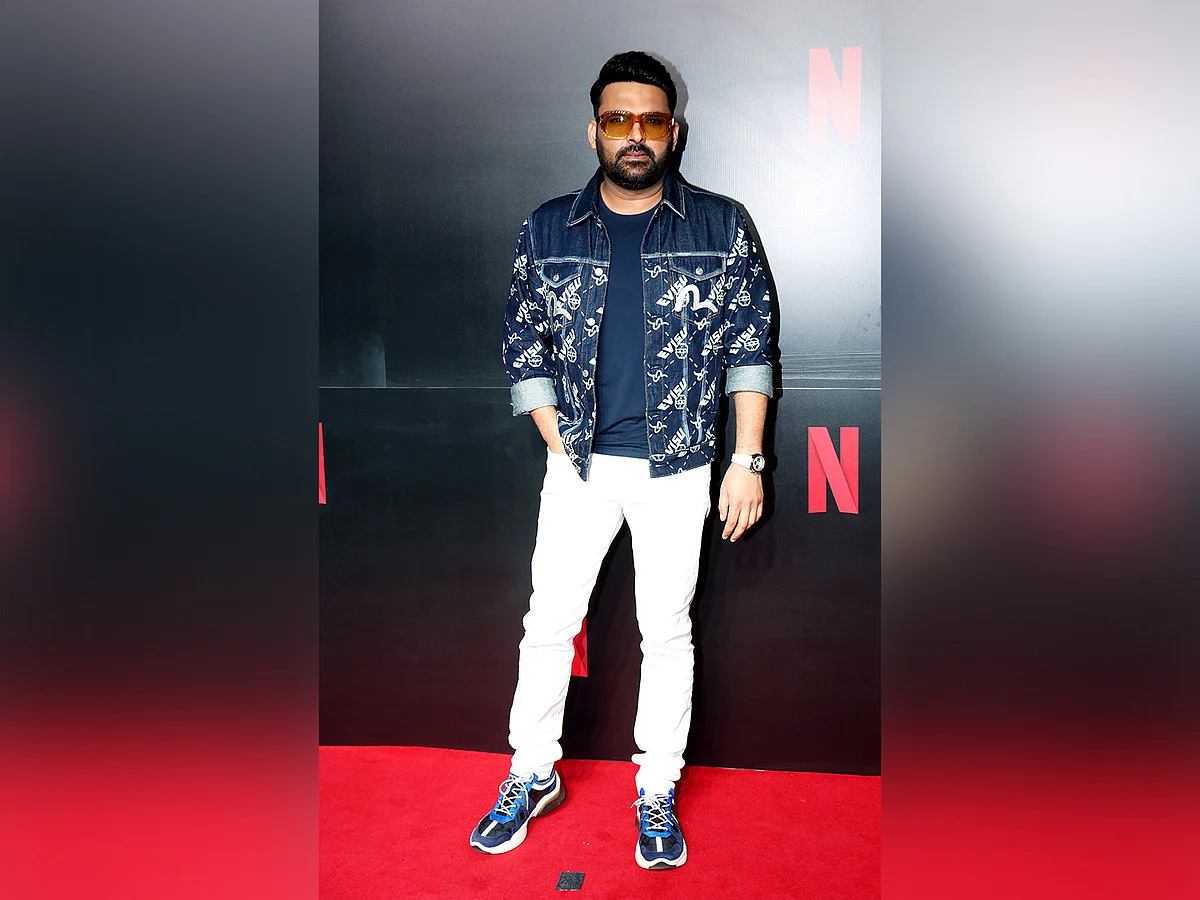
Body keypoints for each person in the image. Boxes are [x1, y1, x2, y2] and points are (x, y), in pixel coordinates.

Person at [470, 50, 775, 870]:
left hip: (680, 466)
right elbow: (521, 336)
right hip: (578, 465)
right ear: (594, 130)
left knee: (665, 632)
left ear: (674, 130)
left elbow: (751, 348)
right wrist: (553, 432)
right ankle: (532, 772)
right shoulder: (548, 227)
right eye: (617, 118)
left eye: (650, 119)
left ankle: (657, 786)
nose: (634, 134)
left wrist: (746, 460)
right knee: (547, 624)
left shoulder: (722, 226)